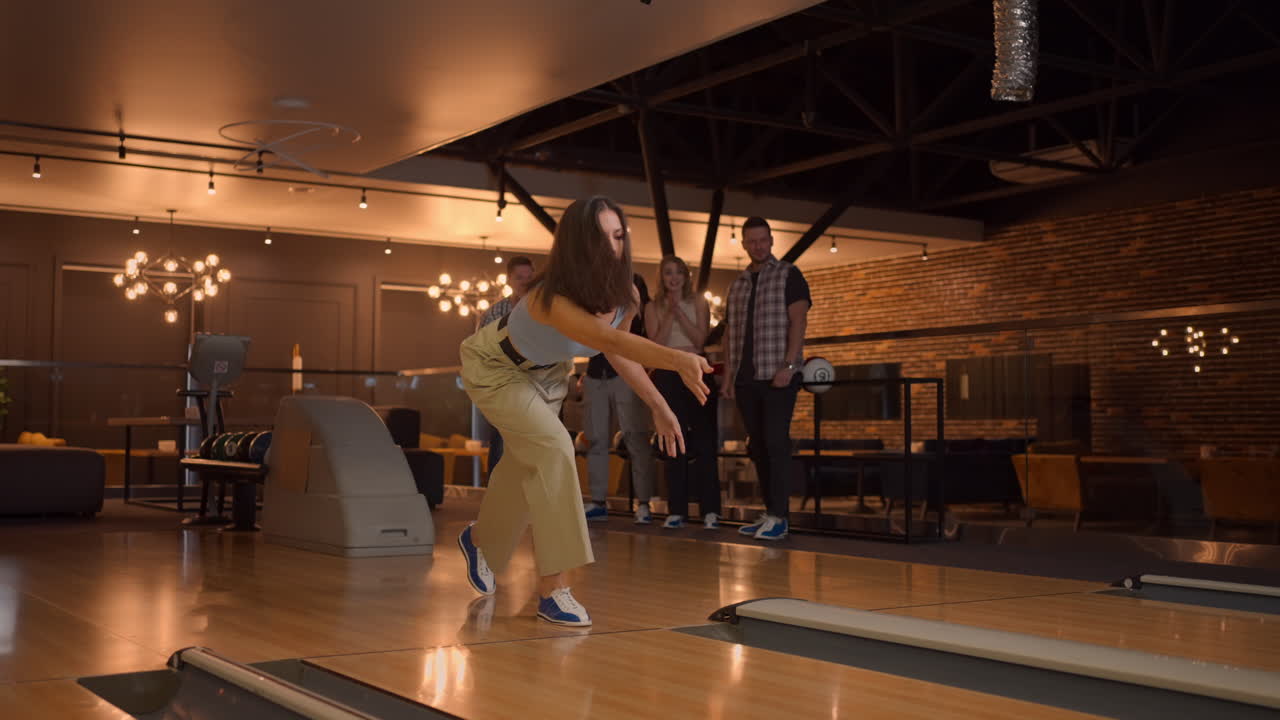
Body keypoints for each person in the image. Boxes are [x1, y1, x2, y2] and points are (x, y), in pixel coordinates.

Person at [456, 196, 711, 627]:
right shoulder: (550, 296)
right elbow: (607, 340)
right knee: (555, 448)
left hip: (548, 376)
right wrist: (677, 358)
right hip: (498, 368)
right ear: (577, 243)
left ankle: (479, 541)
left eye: (618, 235)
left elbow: (619, 354)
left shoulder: (625, 295)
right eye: (601, 237)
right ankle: (554, 588)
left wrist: (660, 407)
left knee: (524, 466)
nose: (612, 246)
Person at [722, 216, 811, 541]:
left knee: (776, 442)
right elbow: (731, 331)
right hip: (746, 379)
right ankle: (770, 513)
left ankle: (780, 516)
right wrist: (729, 375)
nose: (758, 246)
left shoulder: (789, 274)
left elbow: (798, 322)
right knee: (757, 446)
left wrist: (789, 365)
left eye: (763, 240)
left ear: (771, 240)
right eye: (752, 241)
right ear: (744, 244)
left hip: (778, 375)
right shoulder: (739, 283)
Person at [645, 255, 721, 530]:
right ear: (662, 278)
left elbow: (700, 339)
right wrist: (669, 313)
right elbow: (655, 345)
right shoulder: (652, 308)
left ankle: (710, 510)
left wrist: (680, 313)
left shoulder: (699, 302)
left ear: (685, 276)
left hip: (697, 369)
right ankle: (676, 510)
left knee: (704, 441)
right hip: (667, 374)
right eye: (668, 273)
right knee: (672, 440)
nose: (673, 278)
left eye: (678, 273)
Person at [581, 273, 658, 524]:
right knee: (596, 441)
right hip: (595, 373)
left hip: (626, 374)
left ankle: (644, 503)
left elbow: (645, 341)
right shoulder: (598, 301)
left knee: (635, 438)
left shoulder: (639, 299)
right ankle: (598, 501)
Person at [476, 256, 536, 468]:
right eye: (519, 277)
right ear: (509, 280)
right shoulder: (494, 313)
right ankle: (497, 496)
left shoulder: (543, 312)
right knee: (502, 442)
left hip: (536, 386)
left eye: (529, 277)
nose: (525, 282)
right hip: (504, 387)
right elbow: (480, 351)